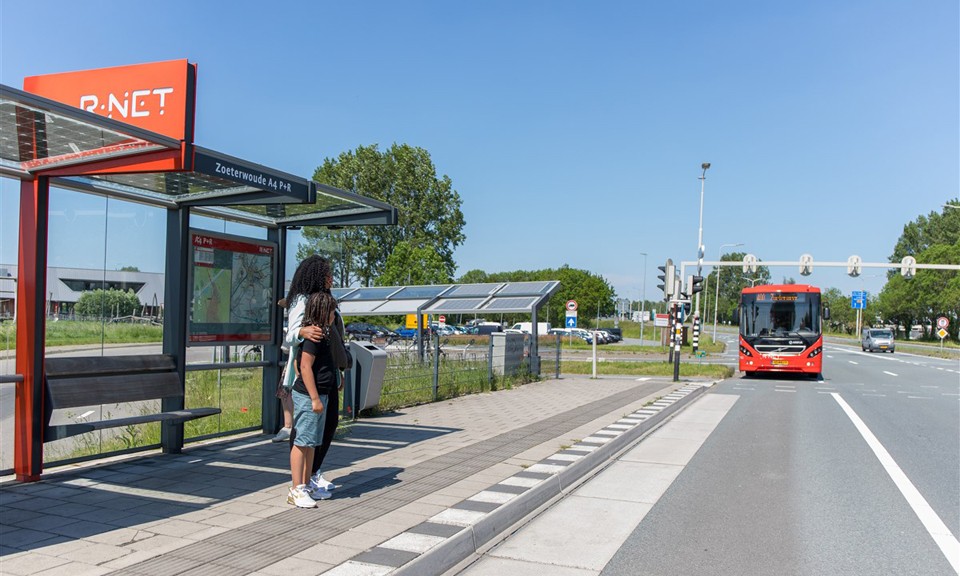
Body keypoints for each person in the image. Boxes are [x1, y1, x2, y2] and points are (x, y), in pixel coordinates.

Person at [287, 291, 338, 508]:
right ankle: (296, 489)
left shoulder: (322, 334)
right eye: (332, 311)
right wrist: (314, 398)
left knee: (312, 444)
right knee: (302, 442)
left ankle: (306, 485)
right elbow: (304, 366)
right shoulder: (314, 337)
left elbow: (301, 365)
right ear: (323, 312)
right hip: (311, 397)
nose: (334, 315)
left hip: (320, 394)